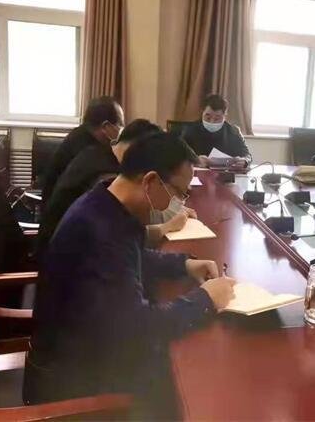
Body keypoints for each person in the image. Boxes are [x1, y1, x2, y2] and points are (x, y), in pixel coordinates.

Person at [24, 133, 236, 415]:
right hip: (70, 383)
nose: (178, 202)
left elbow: (130, 258)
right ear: (150, 181)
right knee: (191, 389)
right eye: (178, 193)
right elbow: (137, 327)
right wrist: (205, 299)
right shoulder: (100, 231)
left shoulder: (106, 204)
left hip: (83, 349)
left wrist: (183, 264)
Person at [37, 119, 193, 255]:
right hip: (54, 257)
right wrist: (167, 226)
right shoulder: (105, 178)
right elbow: (122, 235)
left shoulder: (98, 154)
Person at [41, 96, 125, 206]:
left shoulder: (79, 136)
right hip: (62, 214)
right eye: (120, 124)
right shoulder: (89, 151)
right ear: (106, 127)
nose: (122, 130)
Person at [181, 93, 252, 167]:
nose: (211, 122)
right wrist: (194, 160)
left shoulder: (233, 131)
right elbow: (178, 155)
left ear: (224, 116)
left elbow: (247, 155)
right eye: (208, 117)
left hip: (225, 173)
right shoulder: (190, 130)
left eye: (217, 118)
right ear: (202, 112)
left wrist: (245, 161)